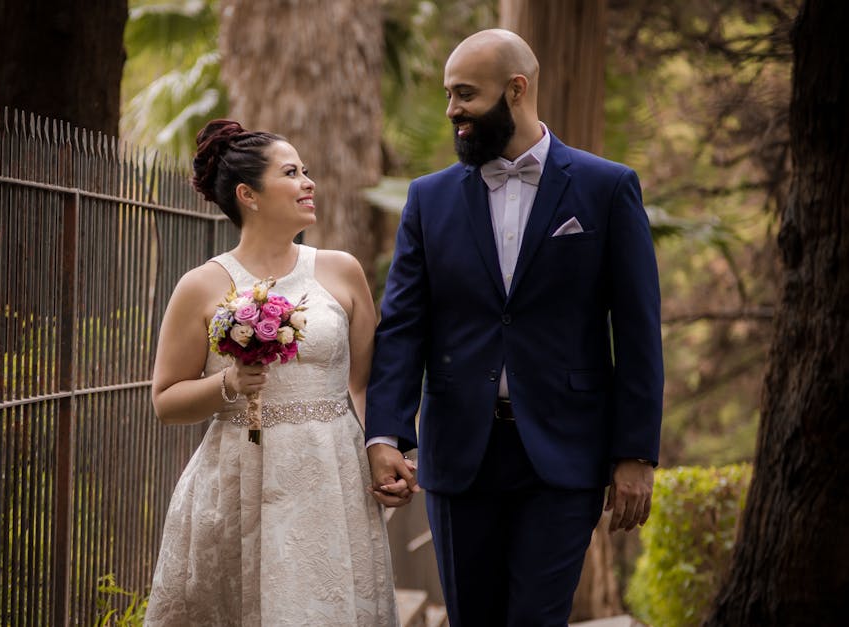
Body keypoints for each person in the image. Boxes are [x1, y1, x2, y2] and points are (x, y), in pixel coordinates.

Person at [364, 29, 664, 626]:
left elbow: (637, 331)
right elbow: (402, 327)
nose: (452, 111)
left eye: (465, 94)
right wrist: (386, 435)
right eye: (449, 95)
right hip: (459, 454)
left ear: (516, 90)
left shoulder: (607, 188)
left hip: (565, 452)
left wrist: (635, 453)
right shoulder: (428, 199)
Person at [144, 119, 400, 626]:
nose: (309, 183)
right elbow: (165, 401)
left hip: (332, 478)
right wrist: (228, 383)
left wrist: (382, 450)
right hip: (240, 481)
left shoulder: (342, 270)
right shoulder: (200, 286)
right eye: (291, 173)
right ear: (248, 195)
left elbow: (366, 382)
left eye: (305, 171)